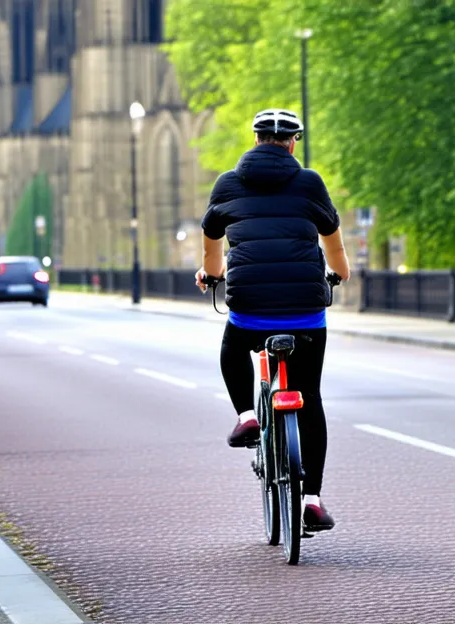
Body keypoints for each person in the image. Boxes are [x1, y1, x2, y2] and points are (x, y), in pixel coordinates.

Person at [196, 108, 351, 532]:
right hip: (305, 307)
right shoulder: (310, 183)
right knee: (310, 398)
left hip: (249, 305)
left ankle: (247, 413)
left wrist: (212, 274)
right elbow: (332, 241)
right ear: (293, 143)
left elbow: (212, 243)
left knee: (233, 347)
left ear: (256, 139)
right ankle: (313, 500)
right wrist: (339, 273)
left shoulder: (227, 183)